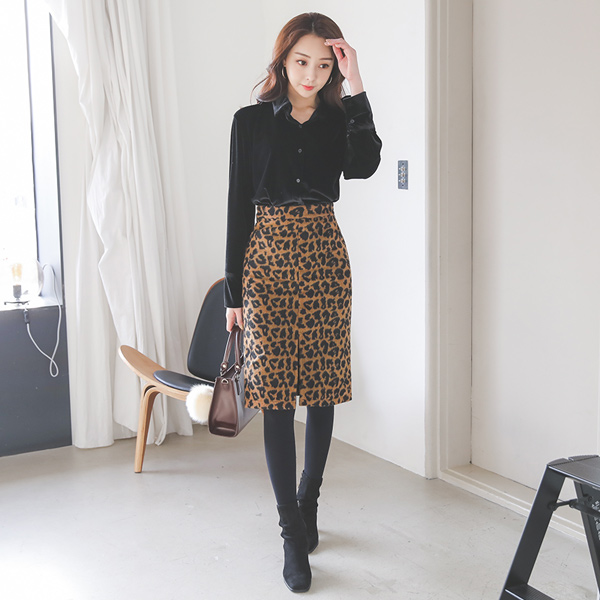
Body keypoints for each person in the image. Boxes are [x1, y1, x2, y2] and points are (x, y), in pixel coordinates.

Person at [223, 12, 382, 593]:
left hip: (323, 257)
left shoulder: (339, 119)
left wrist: (357, 82)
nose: (311, 74)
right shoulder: (248, 122)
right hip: (266, 260)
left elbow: (366, 165)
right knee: (273, 395)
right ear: (282, 59)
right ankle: (291, 531)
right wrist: (234, 291)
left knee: (319, 388)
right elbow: (238, 204)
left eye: (322, 64)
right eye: (300, 61)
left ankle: (308, 500)